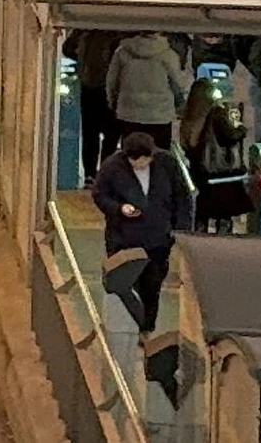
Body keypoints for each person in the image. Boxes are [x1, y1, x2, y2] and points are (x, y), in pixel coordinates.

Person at [92, 131, 194, 334]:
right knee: (125, 286)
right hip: (124, 239)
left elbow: (182, 197)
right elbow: (99, 195)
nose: (139, 165)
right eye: (134, 162)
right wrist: (119, 208)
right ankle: (126, 329)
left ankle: (146, 330)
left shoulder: (167, 164)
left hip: (158, 239)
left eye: (144, 161)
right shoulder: (112, 167)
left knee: (152, 285)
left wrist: (181, 230)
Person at [179, 78, 253, 231]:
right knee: (224, 211)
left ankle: (200, 233)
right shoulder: (216, 112)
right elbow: (229, 135)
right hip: (220, 170)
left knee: (203, 210)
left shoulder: (190, 114)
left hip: (199, 170)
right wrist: (241, 128)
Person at [106, 31, 189, 148]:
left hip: (129, 114)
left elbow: (112, 83)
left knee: (132, 154)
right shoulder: (168, 54)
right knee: (159, 155)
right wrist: (179, 107)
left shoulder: (122, 52)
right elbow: (177, 84)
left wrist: (114, 104)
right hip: (160, 115)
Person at [66, 29, 125, 183]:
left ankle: (90, 174)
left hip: (90, 85)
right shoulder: (120, 33)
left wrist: (83, 62)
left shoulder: (86, 30)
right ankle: (105, 173)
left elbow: (68, 49)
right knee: (111, 135)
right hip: (113, 87)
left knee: (90, 133)